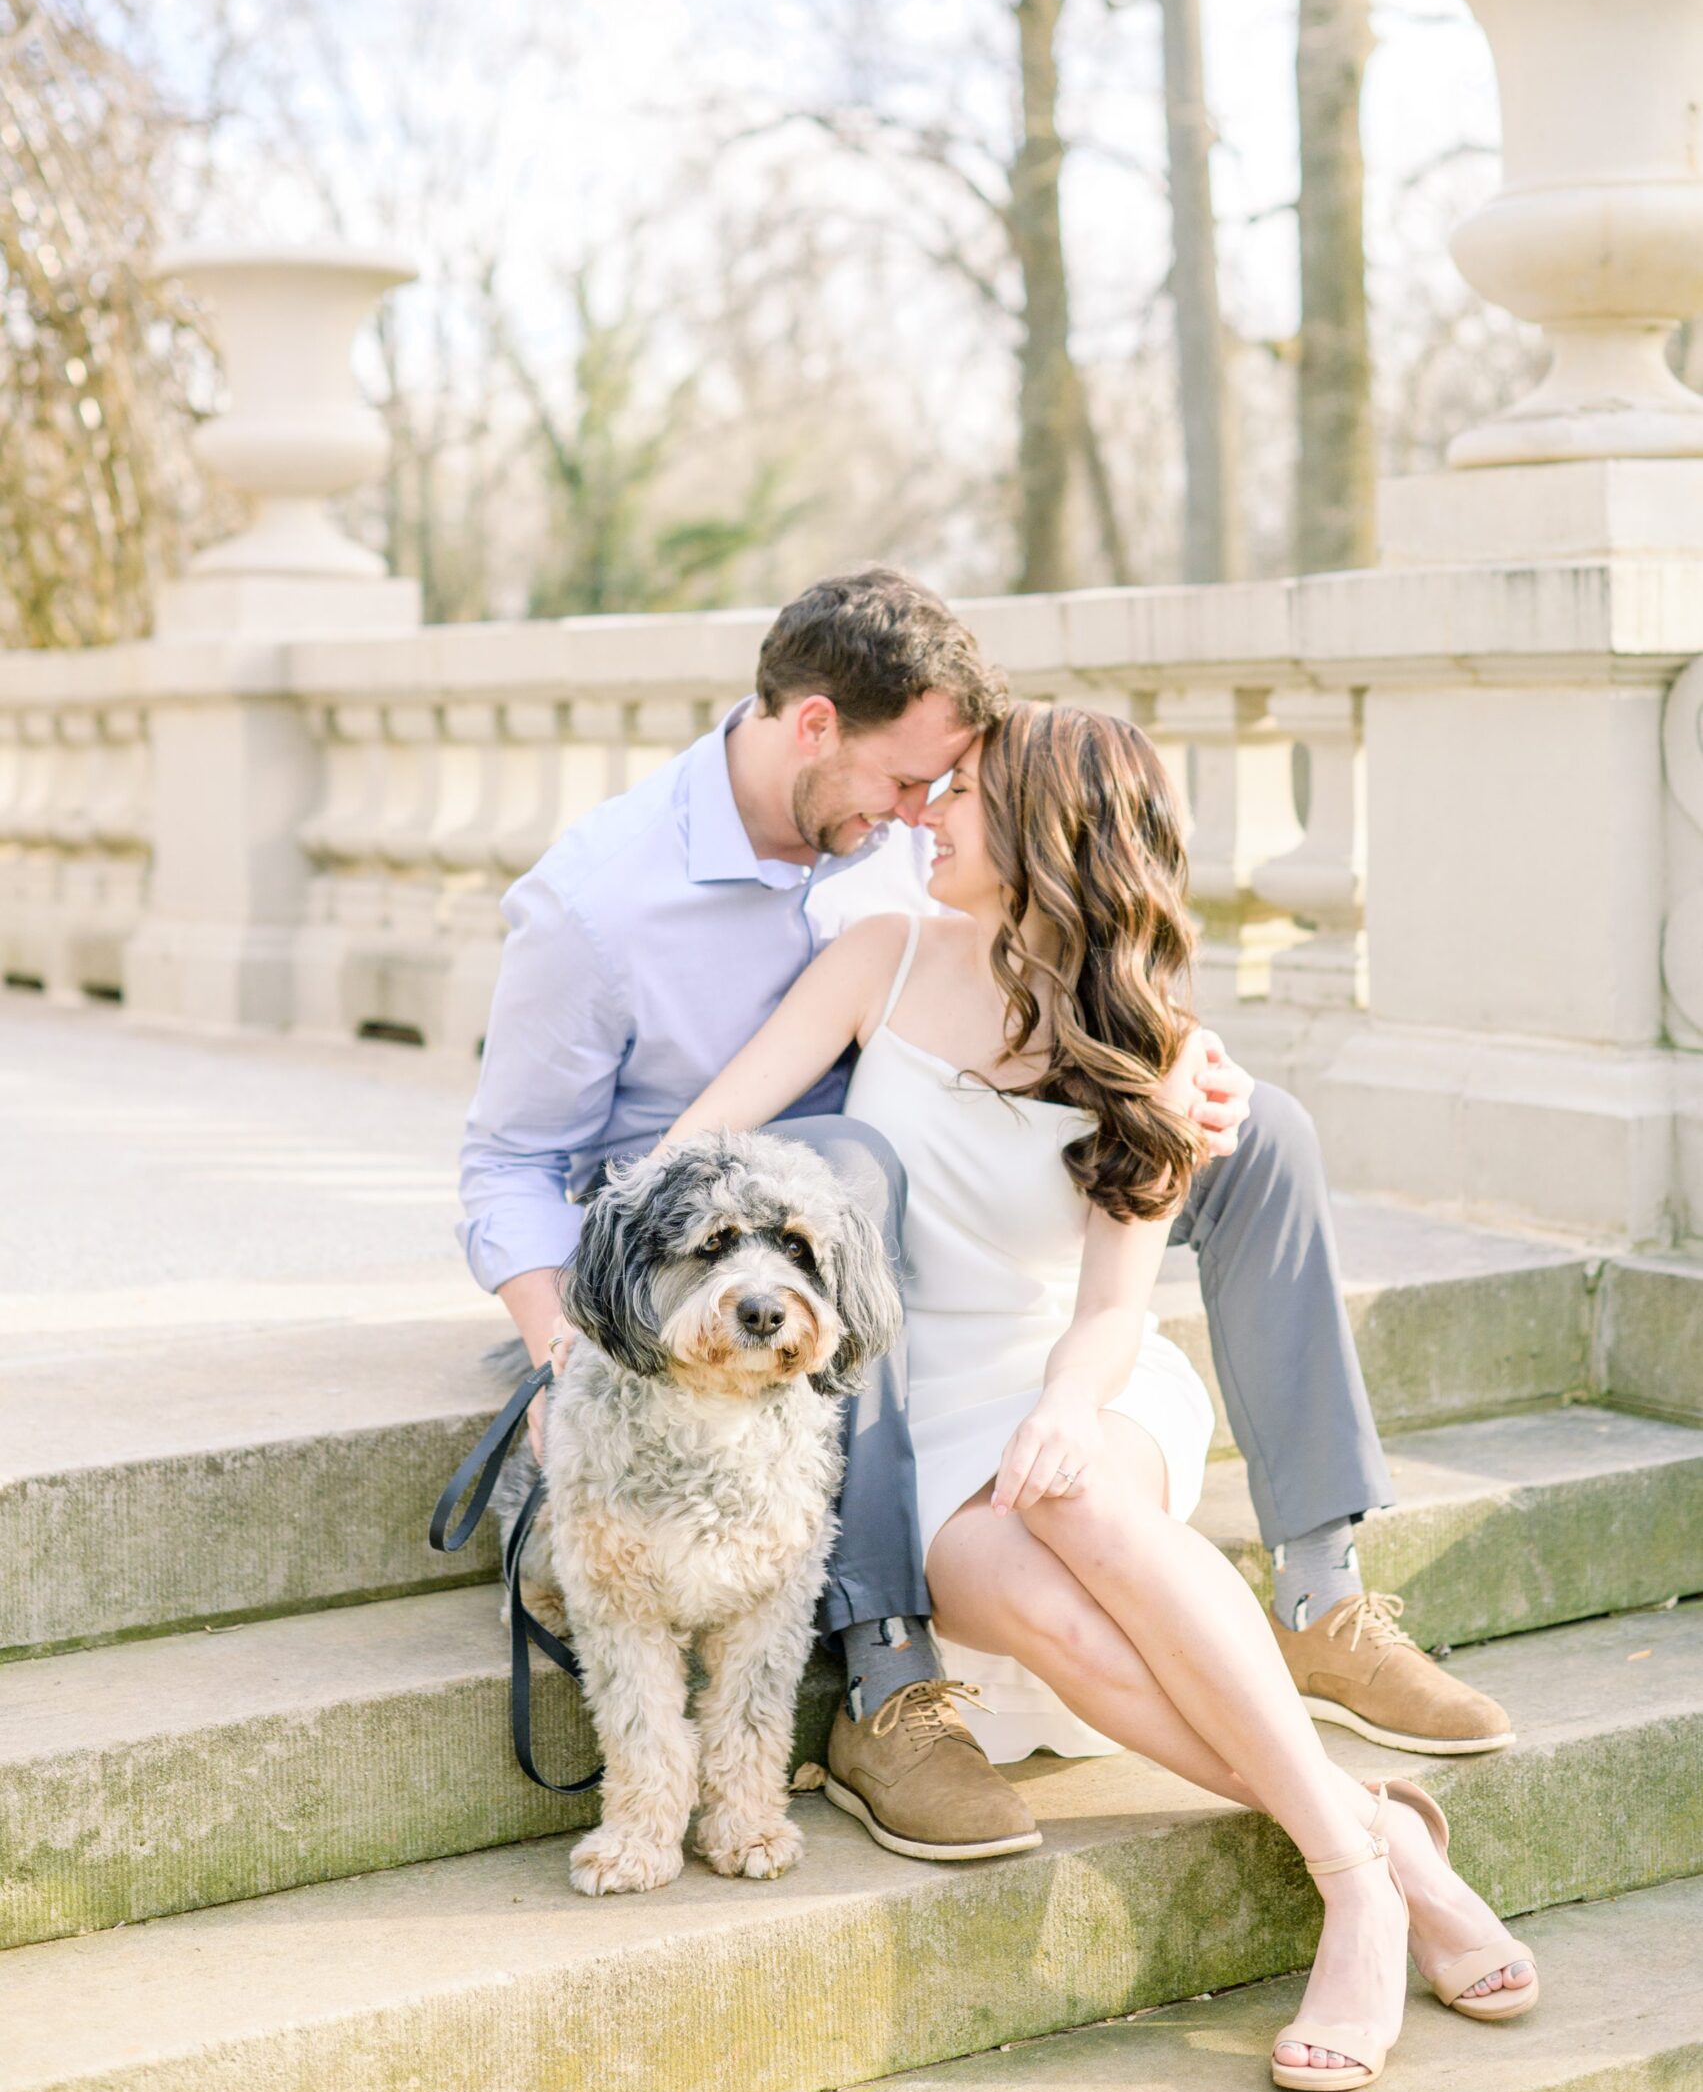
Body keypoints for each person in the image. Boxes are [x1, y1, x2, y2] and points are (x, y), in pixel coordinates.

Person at [459, 566, 1507, 1871]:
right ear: (815, 728)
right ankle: (891, 1668)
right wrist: (570, 1341)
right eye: (914, 785)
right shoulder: (600, 901)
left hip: (953, 1171)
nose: (922, 816)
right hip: (741, 1233)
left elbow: (1063, 932)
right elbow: (511, 1163)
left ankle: (1318, 1587)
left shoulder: (909, 856)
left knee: (1263, 1126)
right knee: (850, 1162)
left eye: (950, 790)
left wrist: (1170, 1060)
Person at [661, 701, 1537, 2092]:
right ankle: (1382, 1833)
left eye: (959, 796)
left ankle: (1354, 1892)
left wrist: (1067, 1411)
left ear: (1043, 836)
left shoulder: (1159, 1050)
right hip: (916, 1419)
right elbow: (705, 1136)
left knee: (1086, 1506)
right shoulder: (879, 958)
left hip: (1079, 1378)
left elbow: (1115, 1308)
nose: (925, 814)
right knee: (1055, 1602)